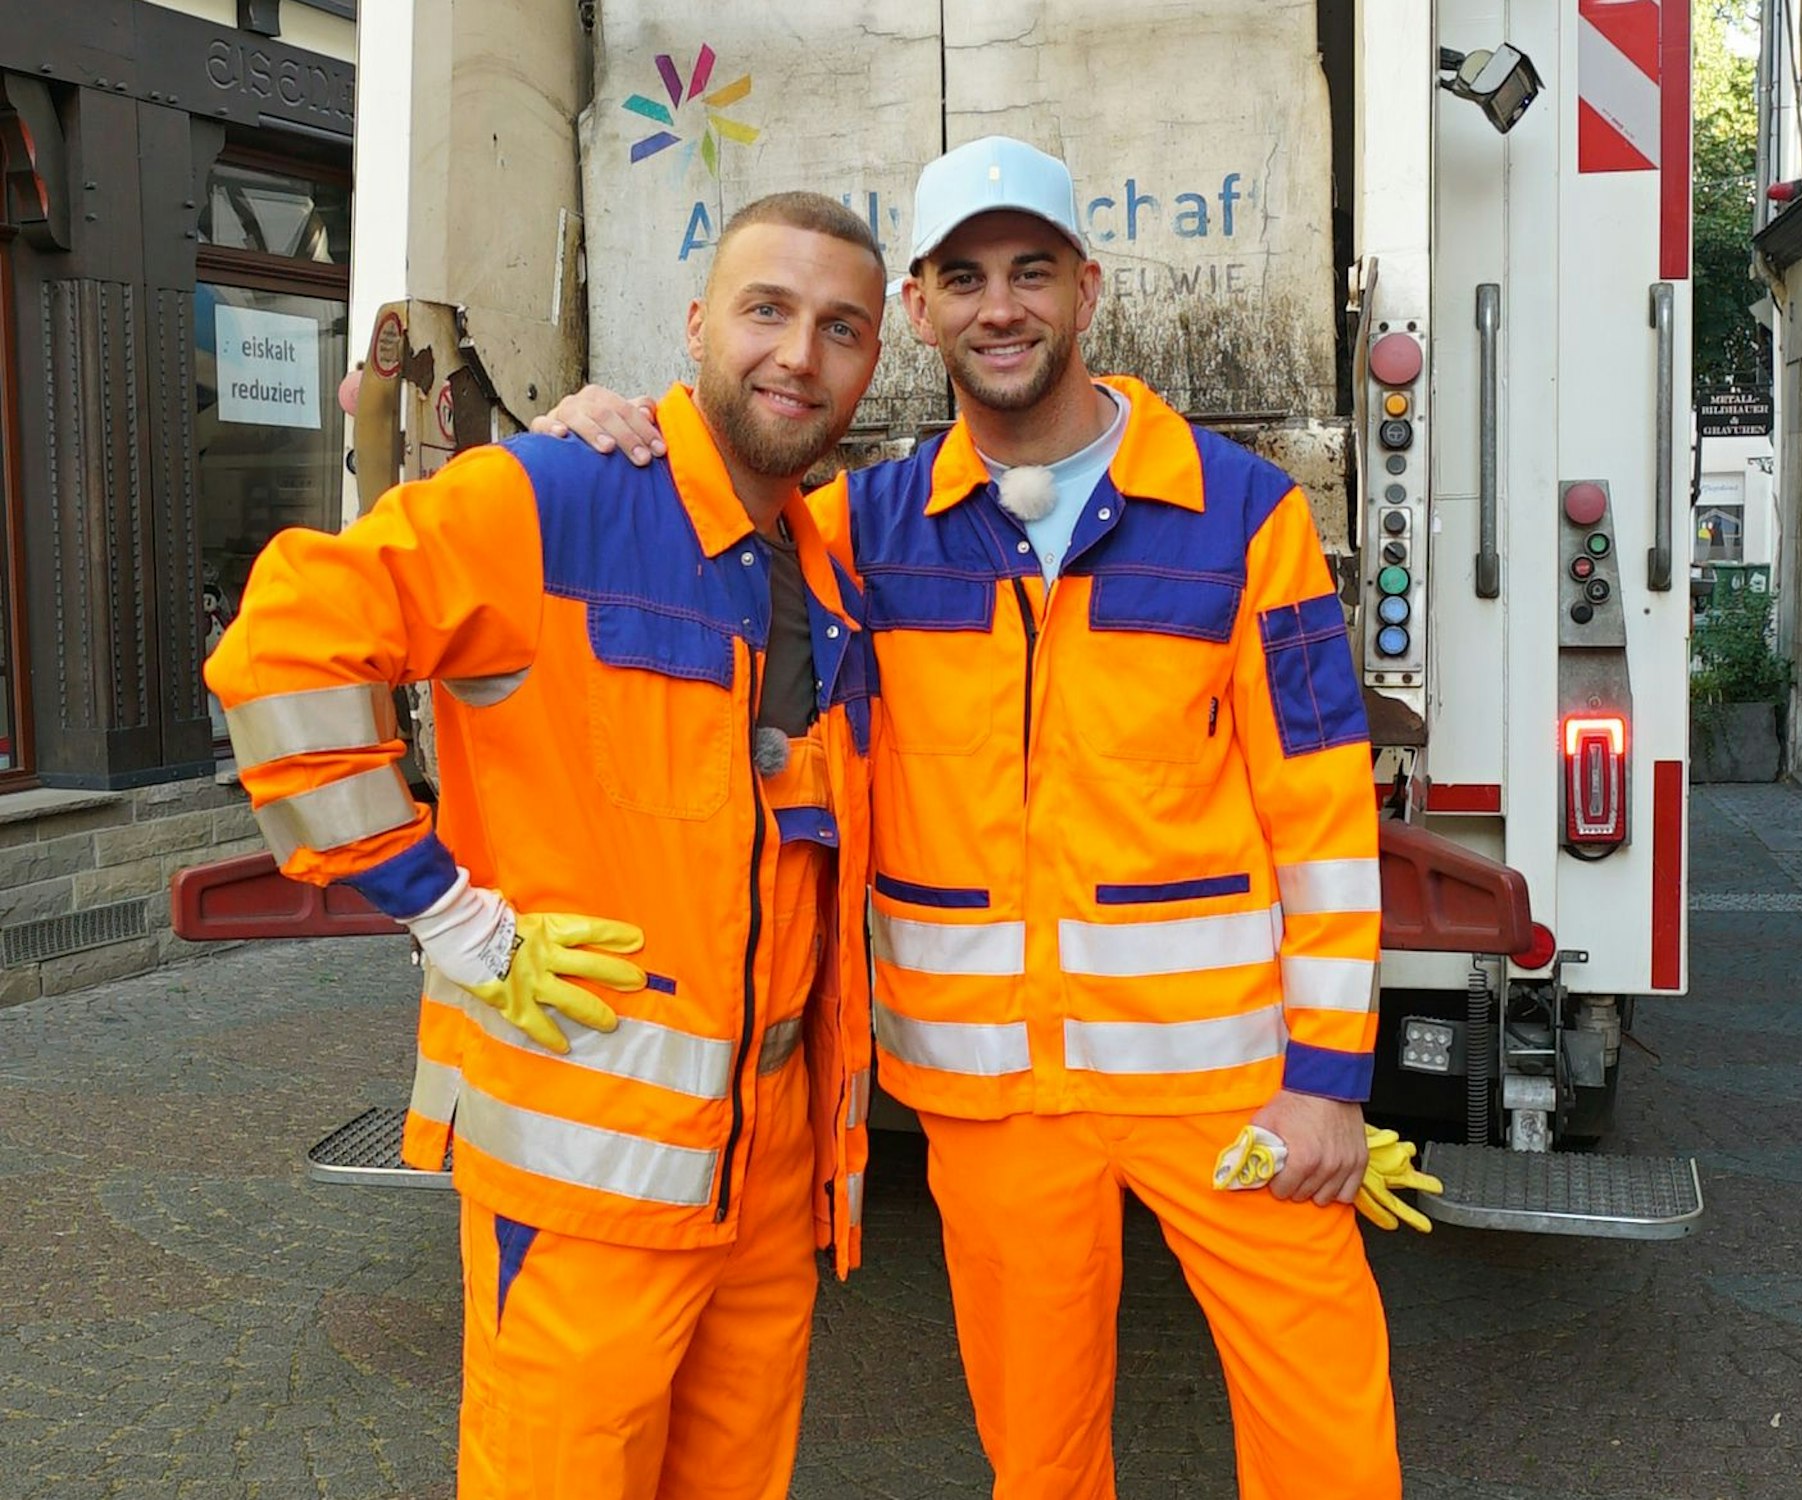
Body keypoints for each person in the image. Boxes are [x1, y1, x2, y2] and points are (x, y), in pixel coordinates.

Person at [542, 137, 1424, 1499]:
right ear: (920, 310)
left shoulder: (1245, 517)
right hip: (992, 1103)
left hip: (1228, 1091)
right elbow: (702, 511)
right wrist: (596, 445)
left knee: (1330, 1439)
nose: (997, 306)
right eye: (963, 277)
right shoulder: (859, 530)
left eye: (1028, 272)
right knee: (1041, 1459)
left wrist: (1325, 1083)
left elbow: (1321, 813)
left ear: (1086, 289)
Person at [206, 192, 887, 1500]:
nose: (800, 353)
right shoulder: (560, 495)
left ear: (870, 364)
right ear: (696, 328)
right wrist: (453, 921)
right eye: (767, 309)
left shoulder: (825, 563)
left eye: (840, 328)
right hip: (581, 1195)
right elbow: (282, 650)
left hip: (765, 1183)